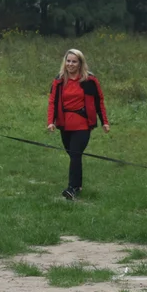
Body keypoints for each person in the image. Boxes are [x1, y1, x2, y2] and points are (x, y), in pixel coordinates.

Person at [46, 49, 109, 200]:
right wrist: (50, 122)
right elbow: (52, 101)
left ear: (80, 63)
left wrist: (104, 122)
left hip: (82, 123)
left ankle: (71, 189)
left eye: (74, 61)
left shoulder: (90, 80)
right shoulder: (59, 80)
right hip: (64, 123)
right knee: (74, 154)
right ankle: (78, 185)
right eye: (68, 61)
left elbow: (98, 101)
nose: (70, 64)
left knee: (75, 153)